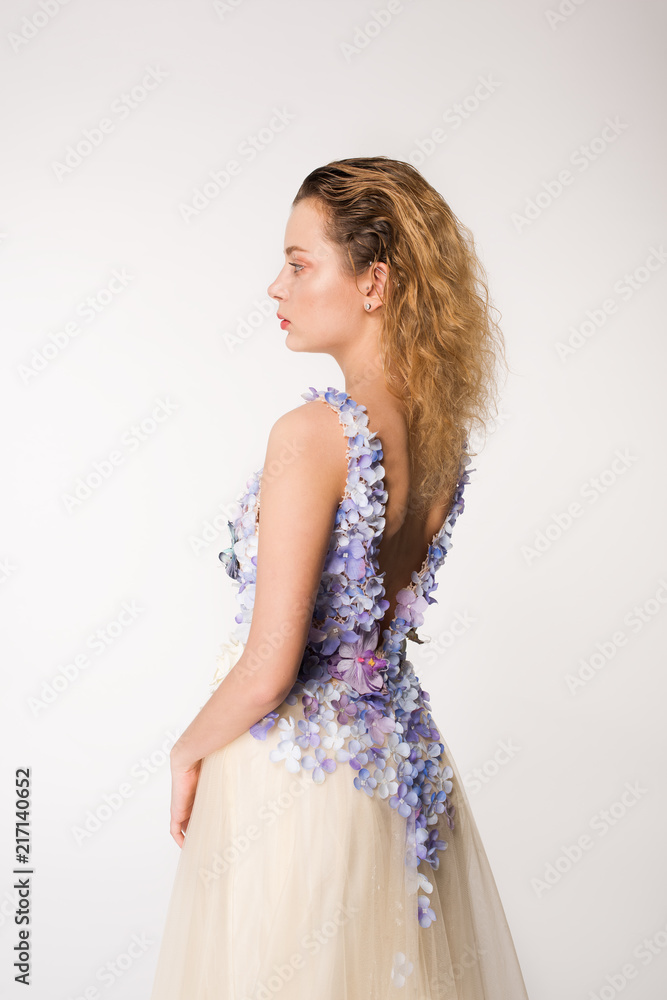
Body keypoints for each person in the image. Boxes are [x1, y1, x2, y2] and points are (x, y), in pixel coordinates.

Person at [149, 156, 531, 999]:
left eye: (297, 262)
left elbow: (269, 667)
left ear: (374, 282)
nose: (275, 288)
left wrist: (183, 751)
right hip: (397, 776)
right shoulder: (440, 442)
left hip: (298, 783)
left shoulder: (312, 434)